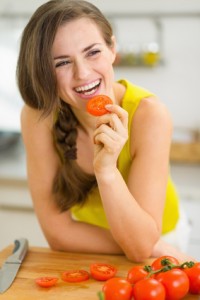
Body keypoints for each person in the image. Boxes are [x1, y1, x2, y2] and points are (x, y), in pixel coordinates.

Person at [16, 0, 192, 262]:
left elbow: (142, 246)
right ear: (43, 72)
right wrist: (142, 243)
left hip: (163, 246)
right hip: (103, 247)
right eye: (62, 63)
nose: (82, 73)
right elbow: (57, 233)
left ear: (112, 48)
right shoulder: (37, 117)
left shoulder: (148, 115)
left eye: (93, 52)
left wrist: (107, 171)